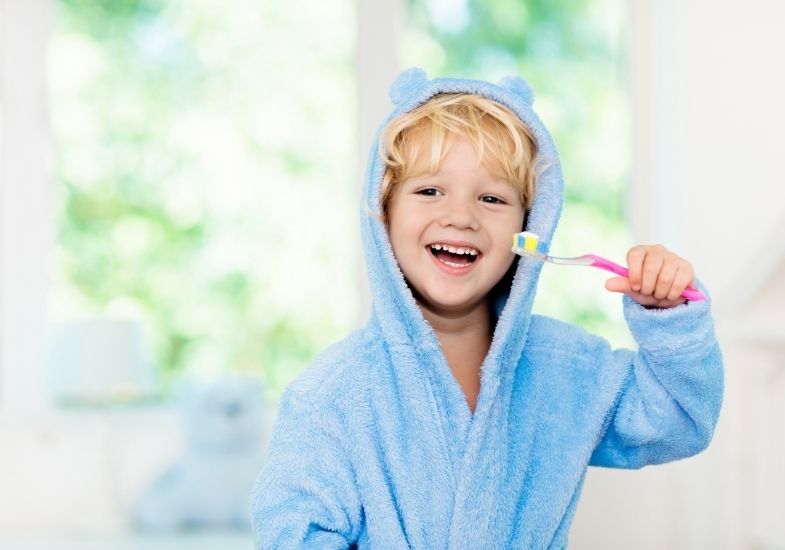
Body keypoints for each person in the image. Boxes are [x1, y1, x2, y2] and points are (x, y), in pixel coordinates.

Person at [251, 67, 724, 549]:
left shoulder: (566, 369)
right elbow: (294, 535)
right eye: (429, 190)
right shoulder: (332, 397)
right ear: (384, 210)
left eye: (492, 198)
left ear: (529, 228)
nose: (461, 216)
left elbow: (677, 420)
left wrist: (669, 318)